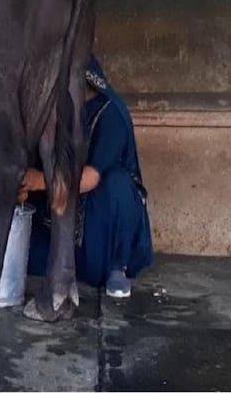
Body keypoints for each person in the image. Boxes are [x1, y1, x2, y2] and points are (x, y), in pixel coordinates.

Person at [19, 56, 153, 298]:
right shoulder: (60, 113)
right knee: (28, 258)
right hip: (66, 211)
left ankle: (117, 267)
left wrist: (41, 180)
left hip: (102, 217)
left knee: (116, 183)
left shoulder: (111, 113)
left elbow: (91, 177)